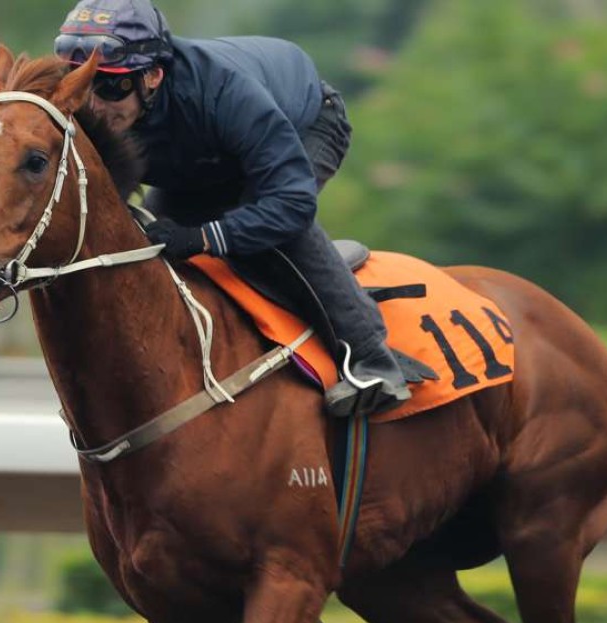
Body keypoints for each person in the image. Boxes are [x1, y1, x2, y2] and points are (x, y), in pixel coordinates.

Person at [54, 0, 410, 417]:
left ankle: (373, 359)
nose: (94, 105)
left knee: (269, 232)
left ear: (153, 75)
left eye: (112, 87)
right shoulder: (93, 104)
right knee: (145, 245)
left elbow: (291, 203)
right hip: (203, 155)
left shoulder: (222, 90)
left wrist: (206, 236)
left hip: (304, 125)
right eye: (83, 84)